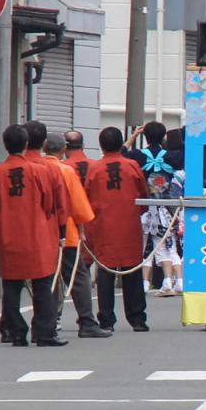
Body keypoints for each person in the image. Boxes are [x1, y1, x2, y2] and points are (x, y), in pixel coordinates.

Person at [0, 125, 68, 347]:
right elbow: (50, 204)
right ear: (26, 144)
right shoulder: (41, 171)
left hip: (9, 234)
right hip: (37, 233)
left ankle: (15, 331)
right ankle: (44, 332)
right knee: (42, 285)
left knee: (11, 286)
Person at [43, 132, 109, 338]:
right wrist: (82, 226)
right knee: (78, 276)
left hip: (43, 232)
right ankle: (87, 321)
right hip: (66, 232)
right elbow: (79, 206)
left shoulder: (38, 167)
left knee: (47, 278)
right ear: (63, 150)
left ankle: (49, 320)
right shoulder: (65, 170)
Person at [84, 127, 149, 332]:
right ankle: (137, 318)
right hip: (129, 223)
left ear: (101, 145)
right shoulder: (132, 165)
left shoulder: (94, 168)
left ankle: (106, 319)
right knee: (132, 270)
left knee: (105, 272)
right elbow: (143, 197)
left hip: (103, 225)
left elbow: (87, 199)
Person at [124, 122, 185, 296]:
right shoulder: (173, 156)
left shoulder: (138, 155)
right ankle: (171, 281)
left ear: (145, 136)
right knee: (166, 244)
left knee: (141, 246)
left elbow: (120, 152)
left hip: (144, 206)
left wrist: (134, 136)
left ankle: (143, 283)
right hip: (167, 207)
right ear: (163, 136)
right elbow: (185, 155)